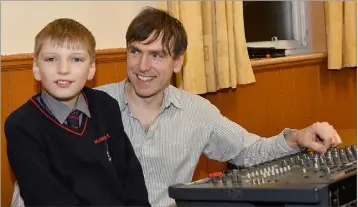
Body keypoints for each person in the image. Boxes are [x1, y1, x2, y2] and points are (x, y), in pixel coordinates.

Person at [10, 7, 342, 207]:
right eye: (135, 51)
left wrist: (297, 138)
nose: (143, 65)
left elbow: (249, 151)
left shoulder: (199, 112)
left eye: (157, 55)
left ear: (178, 61)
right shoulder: (92, 105)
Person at [5, 18, 150, 206]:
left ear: (91, 69)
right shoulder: (21, 126)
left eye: (76, 59)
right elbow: (47, 198)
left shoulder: (106, 106)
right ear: (36, 68)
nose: (63, 69)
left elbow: (131, 178)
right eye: (51, 59)